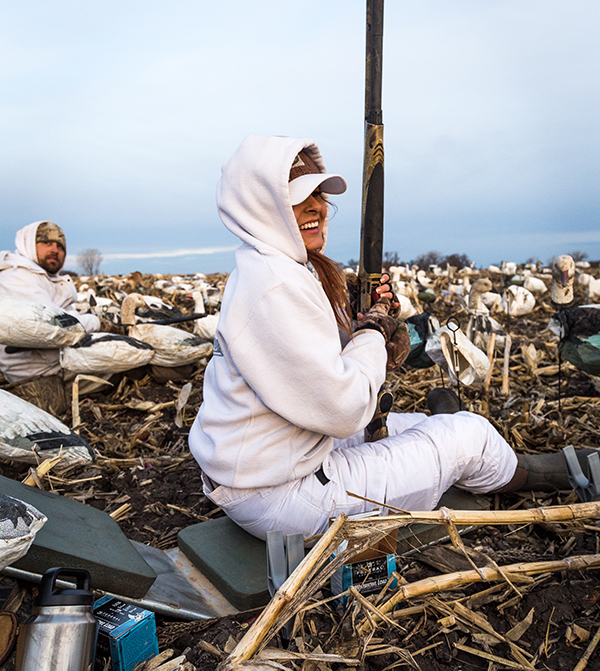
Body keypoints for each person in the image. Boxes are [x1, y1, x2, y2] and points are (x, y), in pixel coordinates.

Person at [189, 135, 594, 540]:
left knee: (422, 424)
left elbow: (314, 365)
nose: (316, 206)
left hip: (269, 462)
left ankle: (476, 459)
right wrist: (373, 330)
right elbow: (346, 408)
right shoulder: (276, 285)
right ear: (264, 207)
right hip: (283, 496)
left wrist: (362, 316)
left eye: (317, 193)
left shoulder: (274, 269)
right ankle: (552, 473)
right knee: (467, 437)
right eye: (297, 198)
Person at [0, 221, 101, 413]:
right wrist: (96, 322)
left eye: (60, 246)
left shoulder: (44, 277)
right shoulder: (17, 276)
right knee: (134, 363)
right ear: (28, 244)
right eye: (46, 243)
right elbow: (55, 325)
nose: (55, 249)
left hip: (57, 362)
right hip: (39, 374)